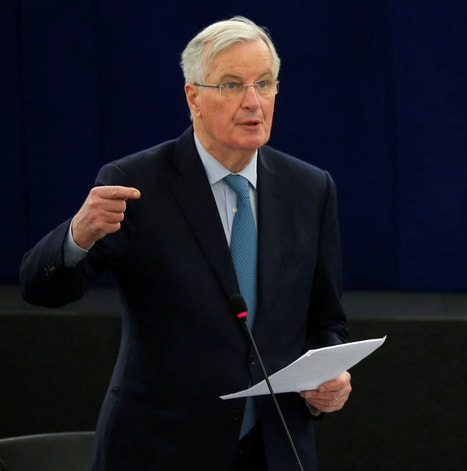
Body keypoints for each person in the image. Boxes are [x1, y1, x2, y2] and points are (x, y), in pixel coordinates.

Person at [19, 16, 351, 471]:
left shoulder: (310, 188)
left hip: (276, 449)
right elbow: (42, 290)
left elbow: (327, 320)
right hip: (162, 448)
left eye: (264, 83)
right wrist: (78, 235)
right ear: (193, 96)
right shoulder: (136, 183)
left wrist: (329, 379)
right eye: (232, 85)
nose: (253, 101)